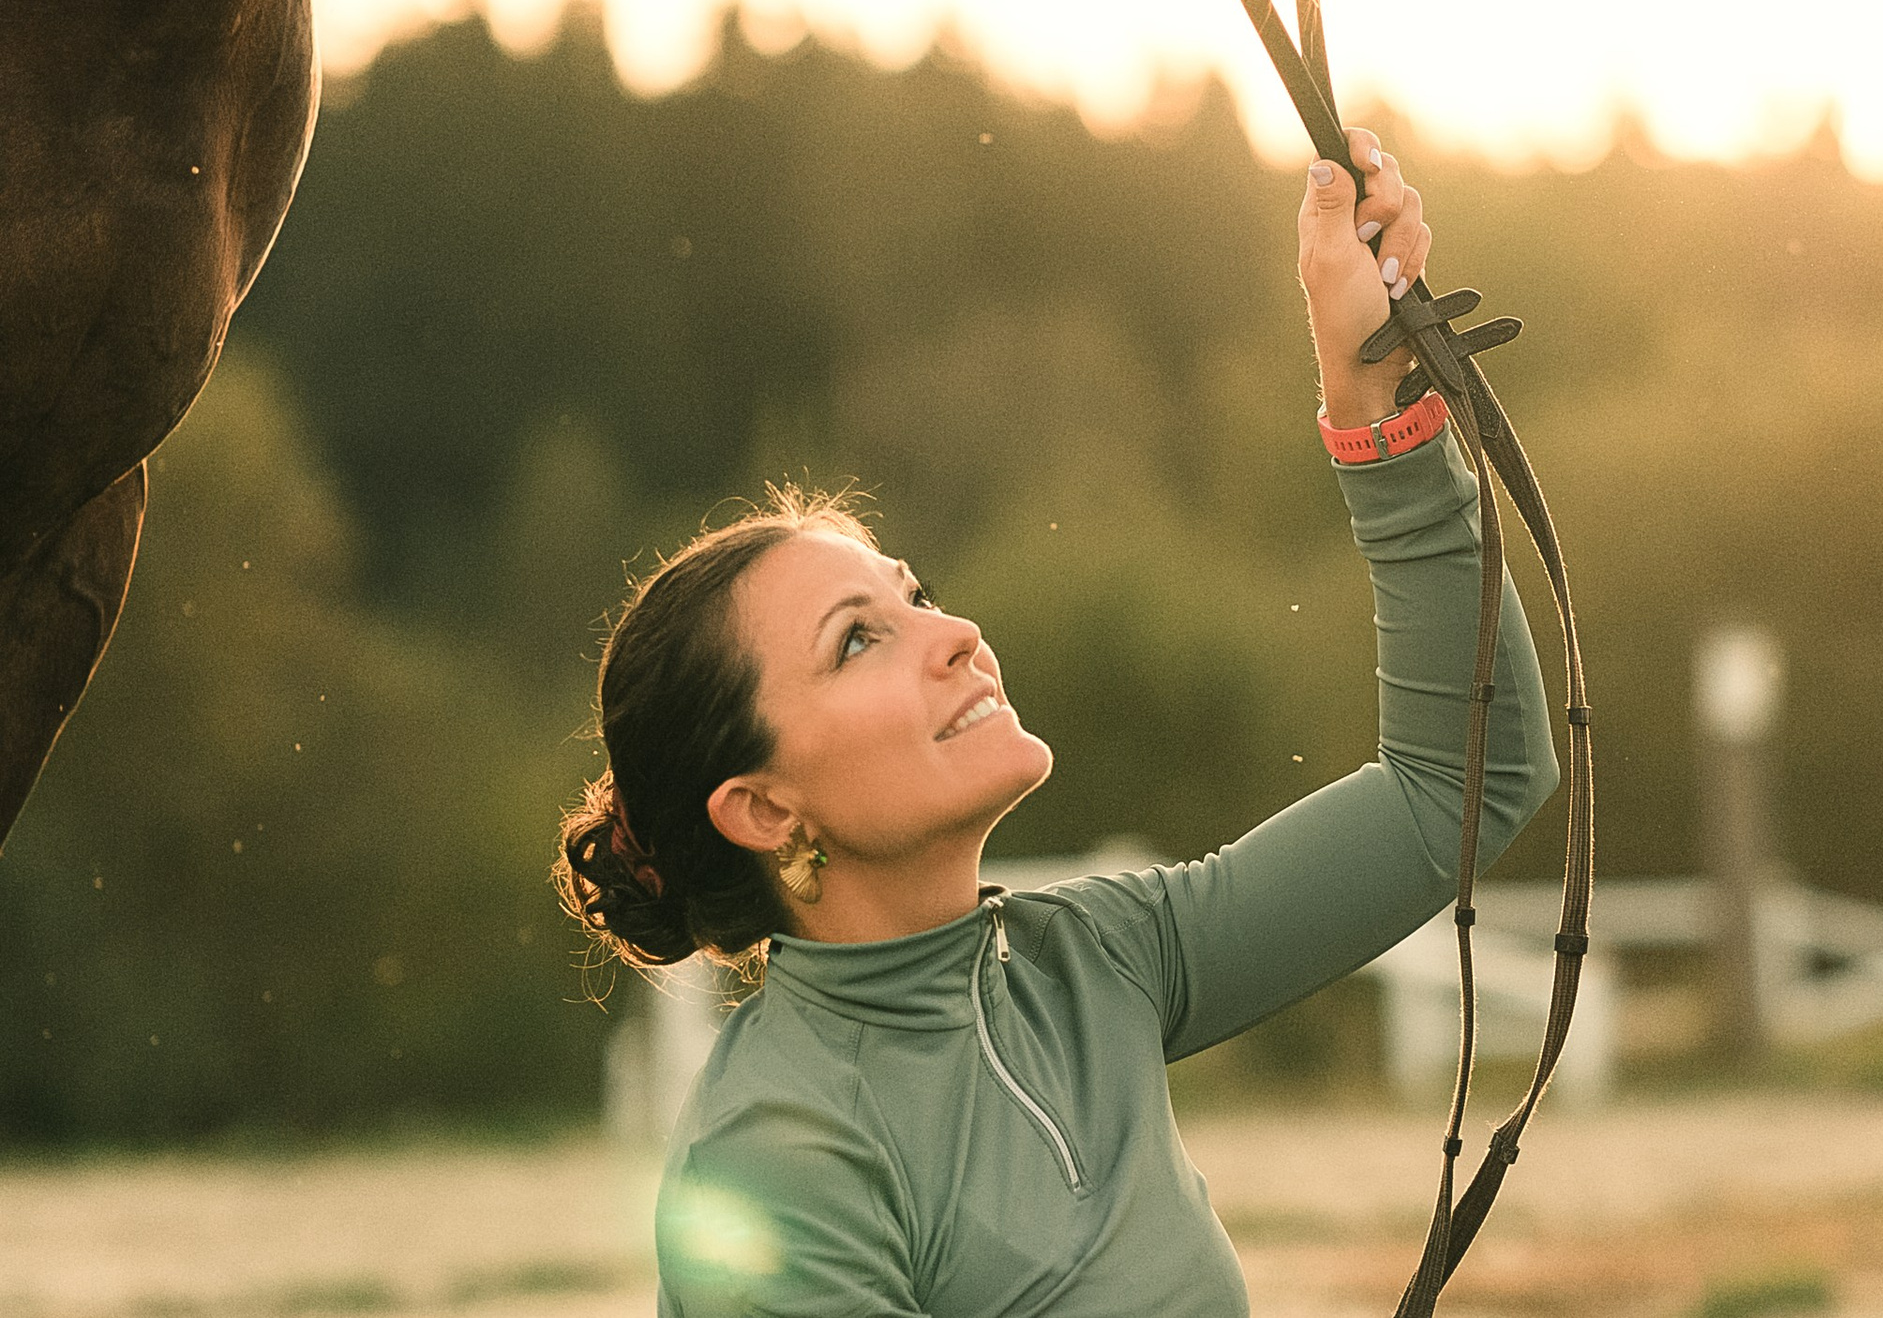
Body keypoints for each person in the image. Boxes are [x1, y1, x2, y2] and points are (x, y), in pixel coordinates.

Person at [554, 131, 1557, 1316]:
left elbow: (1459, 786)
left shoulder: (1096, 963)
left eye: (913, 596)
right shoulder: (778, 1164)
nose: (955, 633)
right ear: (765, 808)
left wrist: (1371, 409)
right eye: (857, 639)